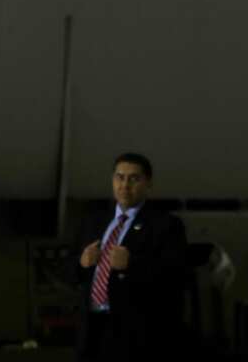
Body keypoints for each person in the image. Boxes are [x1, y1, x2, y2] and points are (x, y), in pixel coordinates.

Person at [74, 152, 187, 361]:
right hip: (92, 330)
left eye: (134, 179)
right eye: (119, 177)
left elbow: (176, 276)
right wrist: (82, 263)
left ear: (148, 183)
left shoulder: (166, 225)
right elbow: (70, 273)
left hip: (137, 336)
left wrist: (132, 265)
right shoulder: (94, 221)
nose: (125, 185)